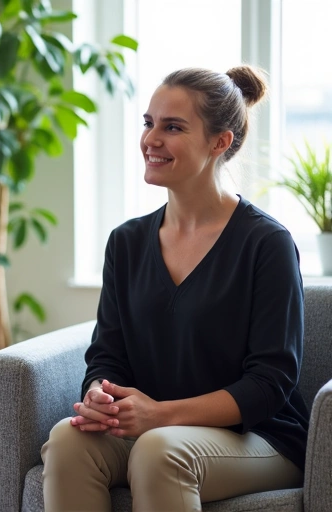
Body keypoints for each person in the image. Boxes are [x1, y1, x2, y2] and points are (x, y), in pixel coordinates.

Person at [41, 66, 309, 511]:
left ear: (220, 141)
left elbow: (270, 383)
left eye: (173, 127)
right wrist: (99, 394)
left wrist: (160, 415)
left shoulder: (267, 244)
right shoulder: (125, 243)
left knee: (159, 452)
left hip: (260, 437)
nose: (151, 139)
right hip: (156, 429)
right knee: (67, 440)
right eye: (148, 123)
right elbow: (108, 353)